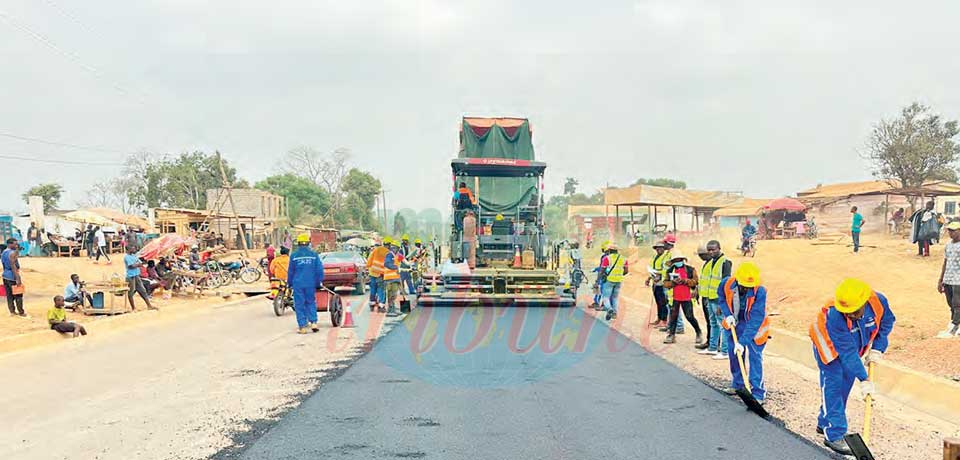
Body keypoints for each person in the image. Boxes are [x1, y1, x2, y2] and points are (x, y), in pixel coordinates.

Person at [810, 278, 896, 455]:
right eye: (847, 313)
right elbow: (846, 351)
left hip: (851, 345)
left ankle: (824, 421)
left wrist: (877, 350)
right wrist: (864, 379)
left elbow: (886, 324)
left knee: (845, 385)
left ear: (864, 302)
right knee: (834, 385)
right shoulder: (835, 314)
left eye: (854, 312)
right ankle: (834, 434)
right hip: (827, 343)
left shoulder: (879, 302)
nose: (851, 316)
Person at [718, 262, 770, 403]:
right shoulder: (726, 283)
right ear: (737, 280)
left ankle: (758, 393)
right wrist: (727, 314)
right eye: (744, 286)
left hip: (755, 327)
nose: (747, 289)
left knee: (755, 357)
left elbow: (756, 318)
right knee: (734, 354)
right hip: (734, 322)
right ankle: (739, 385)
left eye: (749, 287)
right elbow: (721, 298)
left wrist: (742, 342)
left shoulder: (760, 291)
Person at [698, 240, 733, 359]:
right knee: (713, 323)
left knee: (723, 325)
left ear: (720, 248)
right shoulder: (710, 262)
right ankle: (712, 348)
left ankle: (724, 351)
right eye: (709, 250)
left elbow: (726, 284)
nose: (711, 252)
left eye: (713, 249)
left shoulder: (725, 263)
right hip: (710, 298)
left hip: (719, 300)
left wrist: (721, 303)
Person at [662, 251, 703, 344]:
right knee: (673, 317)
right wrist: (673, 283)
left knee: (689, 316)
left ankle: (698, 332)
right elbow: (665, 283)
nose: (678, 261)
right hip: (674, 298)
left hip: (687, 297)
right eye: (676, 260)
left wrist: (685, 281)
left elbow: (695, 281)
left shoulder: (690, 270)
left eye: (679, 260)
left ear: (683, 260)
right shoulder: (669, 271)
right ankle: (671, 335)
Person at [287, 233, 324, 334]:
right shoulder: (314, 255)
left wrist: (289, 283)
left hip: (298, 284)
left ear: (298, 243)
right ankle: (313, 323)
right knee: (310, 302)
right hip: (310, 283)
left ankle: (302, 327)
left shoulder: (294, 256)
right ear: (308, 243)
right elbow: (319, 270)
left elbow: (291, 271)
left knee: (299, 304)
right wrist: (318, 282)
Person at [937, 221, 960, 337]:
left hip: (958, 280)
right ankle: (954, 323)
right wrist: (940, 280)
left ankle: (954, 327)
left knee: (957, 303)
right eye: (949, 230)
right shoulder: (948, 245)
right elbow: (945, 262)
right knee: (950, 303)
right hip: (948, 278)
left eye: (953, 231)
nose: (950, 233)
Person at [597, 242, 627, 321]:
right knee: (615, 297)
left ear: (609, 250)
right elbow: (626, 271)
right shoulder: (624, 259)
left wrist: (598, 280)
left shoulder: (607, 258)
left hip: (609, 280)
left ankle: (609, 309)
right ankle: (615, 312)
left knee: (605, 297)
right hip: (619, 280)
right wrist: (619, 274)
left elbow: (602, 270)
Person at [646, 241, 670, 327]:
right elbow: (652, 268)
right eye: (657, 248)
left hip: (661, 282)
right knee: (658, 302)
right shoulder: (655, 257)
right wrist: (649, 278)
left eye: (660, 248)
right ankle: (659, 318)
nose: (658, 249)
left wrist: (659, 275)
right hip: (655, 282)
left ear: (664, 248)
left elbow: (665, 270)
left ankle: (664, 320)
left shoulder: (665, 257)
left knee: (663, 302)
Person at [124, 246, 156, 311]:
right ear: (128, 249)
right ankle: (133, 308)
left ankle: (149, 306)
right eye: (132, 248)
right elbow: (131, 266)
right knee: (131, 292)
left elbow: (140, 264)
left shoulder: (134, 256)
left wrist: (138, 264)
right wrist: (138, 264)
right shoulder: (127, 257)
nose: (134, 249)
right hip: (130, 276)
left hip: (136, 275)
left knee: (143, 290)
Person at [2, 238, 25, 317]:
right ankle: (21, 312)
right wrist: (17, 278)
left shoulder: (4, 252)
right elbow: (13, 266)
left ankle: (12, 311)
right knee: (18, 295)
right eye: (15, 244)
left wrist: (17, 250)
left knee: (9, 295)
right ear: (9, 244)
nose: (16, 245)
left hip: (5, 276)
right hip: (12, 276)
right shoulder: (11, 254)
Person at [366, 239, 389, 312]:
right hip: (381, 274)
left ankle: (372, 304)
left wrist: (370, 268)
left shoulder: (374, 251)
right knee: (381, 289)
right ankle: (381, 305)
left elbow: (369, 262)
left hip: (373, 273)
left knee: (373, 288)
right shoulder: (387, 252)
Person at [383, 238, 402, 316]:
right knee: (391, 294)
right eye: (393, 247)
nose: (394, 249)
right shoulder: (389, 255)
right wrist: (396, 267)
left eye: (395, 247)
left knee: (394, 293)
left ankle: (392, 308)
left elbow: (403, 261)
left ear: (398, 248)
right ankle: (390, 310)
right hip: (389, 279)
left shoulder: (396, 255)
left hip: (395, 278)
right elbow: (386, 264)